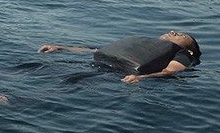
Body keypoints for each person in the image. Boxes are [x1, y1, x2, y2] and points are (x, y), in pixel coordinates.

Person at [38, 30, 201, 84]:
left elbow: (171, 70)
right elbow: (96, 50)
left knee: (71, 82)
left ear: (190, 49)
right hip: (98, 63)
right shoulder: (144, 42)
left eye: (179, 35)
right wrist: (60, 47)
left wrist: (143, 78)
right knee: (45, 68)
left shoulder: (184, 54)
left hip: (115, 74)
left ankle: (22, 102)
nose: (172, 32)